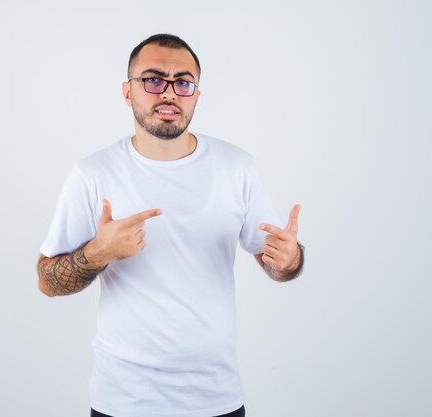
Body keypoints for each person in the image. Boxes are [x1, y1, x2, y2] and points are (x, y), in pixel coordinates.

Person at [37, 33, 304, 417]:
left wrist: (289, 260)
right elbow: (47, 281)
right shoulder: (93, 174)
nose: (169, 93)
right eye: (152, 80)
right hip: (124, 399)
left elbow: (276, 263)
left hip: (215, 396)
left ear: (196, 94)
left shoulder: (236, 167)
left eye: (183, 82)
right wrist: (98, 253)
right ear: (128, 92)